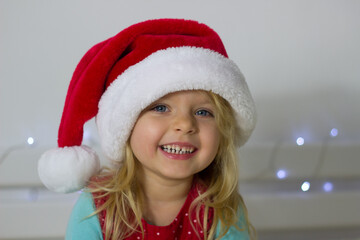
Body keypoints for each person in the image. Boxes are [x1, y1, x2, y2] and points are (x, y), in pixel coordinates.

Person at [38, 19, 257, 240]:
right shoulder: (96, 208)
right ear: (127, 125)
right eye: (161, 108)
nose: (185, 124)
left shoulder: (222, 210)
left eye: (203, 112)